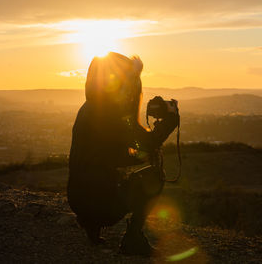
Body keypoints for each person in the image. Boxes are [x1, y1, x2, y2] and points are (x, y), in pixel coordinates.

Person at [67, 52, 179, 256]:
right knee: (154, 176)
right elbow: (147, 143)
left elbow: (105, 156)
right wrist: (171, 121)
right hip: (100, 205)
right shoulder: (114, 113)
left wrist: (141, 155)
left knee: (103, 178)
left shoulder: (87, 109)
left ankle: (92, 228)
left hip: (77, 201)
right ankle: (133, 239)